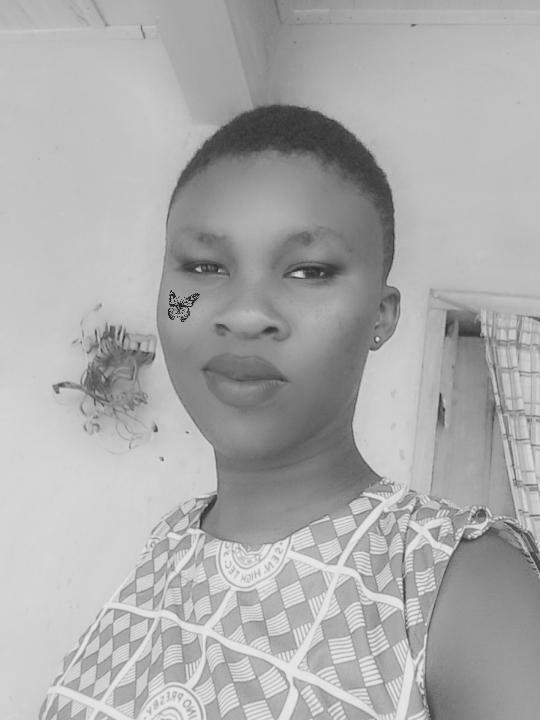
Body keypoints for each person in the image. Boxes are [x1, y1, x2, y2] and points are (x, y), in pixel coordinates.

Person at [39, 104, 540, 720]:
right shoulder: (167, 546)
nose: (246, 314)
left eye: (309, 271)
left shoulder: (456, 587)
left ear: (381, 316)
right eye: (203, 267)